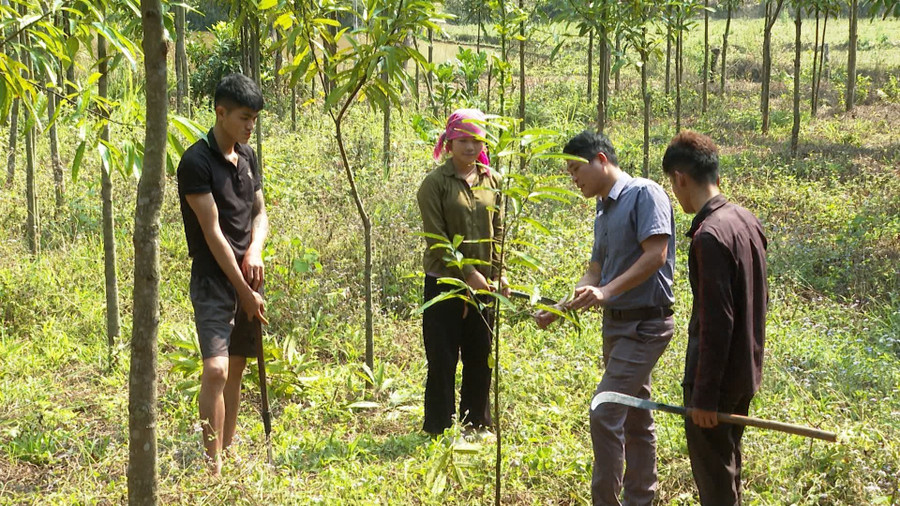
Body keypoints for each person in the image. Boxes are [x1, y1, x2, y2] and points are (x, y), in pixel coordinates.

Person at [535, 130, 675, 506]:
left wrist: (607, 292)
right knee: (634, 415)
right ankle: (641, 498)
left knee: (605, 408)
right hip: (616, 324)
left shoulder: (645, 193)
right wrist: (560, 308)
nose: (573, 178)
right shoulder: (603, 207)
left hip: (646, 325)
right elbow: (595, 269)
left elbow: (655, 255)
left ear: (600, 159)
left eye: (576, 169)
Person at [662, 131, 767, 505]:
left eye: (673, 186)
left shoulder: (709, 237)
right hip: (744, 371)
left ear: (680, 178)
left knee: (715, 481)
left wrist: (704, 396)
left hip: (717, 383)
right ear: (717, 177)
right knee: (728, 466)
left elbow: (716, 322)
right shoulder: (746, 220)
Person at [177, 73, 269, 475]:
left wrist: (255, 249)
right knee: (216, 368)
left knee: (237, 365)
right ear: (221, 112)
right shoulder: (195, 161)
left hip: (248, 276)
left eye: (254, 119)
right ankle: (211, 465)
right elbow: (212, 233)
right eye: (244, 117)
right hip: (214, 279)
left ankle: (227, 451)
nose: (250, 126)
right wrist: (242, 291)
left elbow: (260, 213)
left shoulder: (247, 157)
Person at [416, 108, 508, 437]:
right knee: (442, 357)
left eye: (476, 140)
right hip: (444, 284)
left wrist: (500, 274)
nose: (470, 147)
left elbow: (498, 232)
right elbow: (436, 238)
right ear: (449, 141)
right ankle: (439, 426)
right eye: (463, 140)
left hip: (485, 284)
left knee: (479, 354)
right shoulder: (434, 184)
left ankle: (476, 424)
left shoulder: (493, 180)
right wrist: (468, 273)